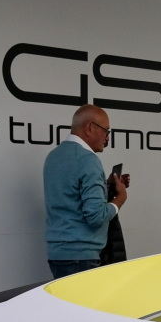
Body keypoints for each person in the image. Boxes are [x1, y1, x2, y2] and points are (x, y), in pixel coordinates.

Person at [43, 104, 128, 279]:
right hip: (82, 256)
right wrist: (119, 199)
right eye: (106, 131)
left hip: (57, 254)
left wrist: (105, 186)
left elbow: (70, 196)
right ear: (90, 127)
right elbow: (96, 216)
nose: (107, 138)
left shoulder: (53, 156)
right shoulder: (88, 160)